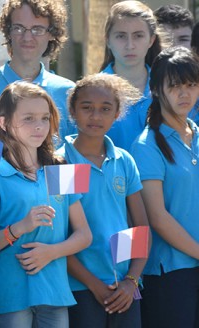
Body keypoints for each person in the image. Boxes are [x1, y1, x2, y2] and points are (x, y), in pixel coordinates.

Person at [0, 82, 92, 327]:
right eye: (29, 118)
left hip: (55, 294)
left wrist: (52, 252)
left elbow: (85, 235)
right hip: (12, 298)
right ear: (4, 123)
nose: (39, 126)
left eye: (45, 118)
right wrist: (20, 227)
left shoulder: (59, 167)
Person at [58, 74, 148, 327]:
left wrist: (131, 280)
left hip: (124, 287)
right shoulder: (62, 162)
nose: (95, 117)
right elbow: (58, 235)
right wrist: (94, 284)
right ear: (73, 111)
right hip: (79, 287)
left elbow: (139, 225)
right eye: (87, 108)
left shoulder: (124, 160)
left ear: (117, 113)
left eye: (105, 109)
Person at [130, 47, 199, 328]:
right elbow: (157, 218)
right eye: (175, 86)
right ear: (156, 90)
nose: (185, 94)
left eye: (191, 85)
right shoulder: (146, 146)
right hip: (170, 272)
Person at [0, 0, 76, 139]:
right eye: (19, 28)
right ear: (8, 31)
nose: (27, 37)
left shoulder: (68, 92)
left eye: (37, 29)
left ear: (52, 34)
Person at [101, 1, 162, 150]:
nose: (130, 45)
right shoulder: (90, 91)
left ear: (151, 40)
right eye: (121, 36)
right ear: (108, 40)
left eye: (138, 36)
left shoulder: (168, 87)